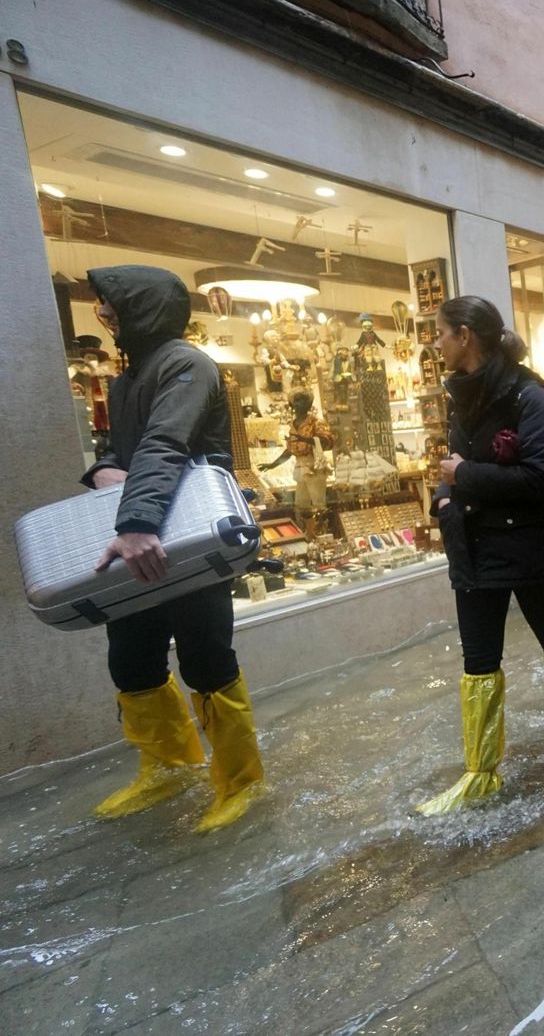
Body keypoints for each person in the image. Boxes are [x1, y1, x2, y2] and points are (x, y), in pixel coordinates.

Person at [82, 265, 265, 833]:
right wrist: (104, 471)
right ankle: (166, 765)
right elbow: (119, 449)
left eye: (110, 303)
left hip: (188, 535)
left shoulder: (187, 363)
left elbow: (167, 442)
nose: (103, 313)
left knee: (206, 658)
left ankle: (239, 781)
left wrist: (136, 519)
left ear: (141, 306)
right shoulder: (128, 375)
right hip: (138, 534)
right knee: (131, 657)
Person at [419, 296, 544, 816]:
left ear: (465, 335)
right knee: (478, 662)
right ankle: (480, 773)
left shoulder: (528, 395)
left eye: (439, 333)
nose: (434, 342)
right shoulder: (461, 394)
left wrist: (461, 476)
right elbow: (449, 463)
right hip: (474, 547)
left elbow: (537, 476)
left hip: (528, 542)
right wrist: (443, 498)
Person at [257, 390, 334, 525]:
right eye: (296, 401)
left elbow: (326, 441)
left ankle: (322, 531)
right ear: (292, 404)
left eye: (303, 401)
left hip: (314, 467)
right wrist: (271, 465)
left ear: (309, 405)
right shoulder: (293, 425)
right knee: (301, 505)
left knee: (319, 503)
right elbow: (290, 450)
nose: (299, 404)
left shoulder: (316, 423)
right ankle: (307, 532)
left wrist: (305, 439)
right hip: (300, 468)